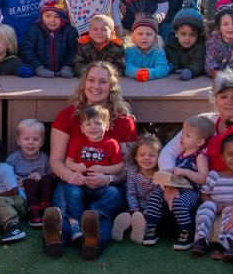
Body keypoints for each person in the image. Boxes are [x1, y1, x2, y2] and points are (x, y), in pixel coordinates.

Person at [158, 70, 233, 274]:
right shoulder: (203, 123)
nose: (229, 102)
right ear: (214, 99)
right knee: (171, 210)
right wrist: (170, 183)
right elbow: (168, 152)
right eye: (223, 96)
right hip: (208, 194)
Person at [42, 61, 138, 259]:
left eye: (102, 82)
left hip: (107, 183)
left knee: (100, 211)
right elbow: (56, 160)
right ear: (83, 83)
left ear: (111, 87)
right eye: (91, 80)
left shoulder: (123, 120)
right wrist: (70, 175)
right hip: (73, 179)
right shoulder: (68, 115)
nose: (96, 86)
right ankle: (56, 238)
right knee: (63, 204)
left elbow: (128, 166)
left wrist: (109, 179)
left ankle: (93, 241)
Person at [58, 105, 125, 257]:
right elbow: (68, 162)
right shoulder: (78, 141)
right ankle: (75, 225)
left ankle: (94, 216)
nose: (92, 127)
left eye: (97, 123)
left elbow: (119, 166)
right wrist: (77, 166)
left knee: (114, 193)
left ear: (107, 125)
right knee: (70, 190)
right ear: (82, 127)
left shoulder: (111, 143)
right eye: (88, 124)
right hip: (81, 183)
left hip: (100, 186)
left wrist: (104, 171)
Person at [143, 115, 212, 248]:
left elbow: (204, 178)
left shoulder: (200, 156)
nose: (182, 137)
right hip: (177, 187)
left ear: (199, 142)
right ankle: (151, 229)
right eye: (183, 133)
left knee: (179, 203)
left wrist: (185, 172)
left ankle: (186, 233)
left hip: (192, 191)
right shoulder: (181, 154)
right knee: (155, 197)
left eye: (187, 135)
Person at [192, 133, 233, 259]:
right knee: (206, 206)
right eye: (230, 154)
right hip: (214, 209)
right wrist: (215, 205)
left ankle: (232, 244)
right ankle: (201, 240)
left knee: (231, 210)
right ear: (223, 157)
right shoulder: (214, 175)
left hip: (232, 209)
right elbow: (204, 194)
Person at [112, 133, 161, 244]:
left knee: (151, 218)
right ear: (136, 157)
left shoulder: (160, 174)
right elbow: (131, 193)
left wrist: (146, 211)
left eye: (151, 155)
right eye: (142, 155)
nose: (146, 158)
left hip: (153, 210)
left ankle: (139, 230)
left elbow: (159, 197)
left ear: (159, 157)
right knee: (130, 215)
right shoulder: (132, 172)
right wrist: (135, 210)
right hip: (136, 207)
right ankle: (123, 226)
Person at [7, 118, 55, 228]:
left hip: (42, 193)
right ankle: (33, 211)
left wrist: (42, 176)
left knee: (48, 179)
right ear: (18, 141)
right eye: (26, 139)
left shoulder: (44, 158)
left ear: (42, 142)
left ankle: (46, 208)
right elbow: (5, 173)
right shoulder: (14, 159)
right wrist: (18, 179)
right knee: (30, 182)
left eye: (36, 139)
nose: (31, 142)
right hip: (26, 194)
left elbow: (53, 175)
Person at [23, 0, 78, 78]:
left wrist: (68, 67)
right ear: (41, 16)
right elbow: (27, 51)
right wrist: (38, 67)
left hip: (63, 73)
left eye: (57, 16)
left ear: (63, 18)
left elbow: (74, 51)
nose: (52, 20)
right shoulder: (34, 30)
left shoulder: (70, 31)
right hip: (39, 74)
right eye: (47, 16)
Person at [123, 9, 169, 82]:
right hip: (133, 85)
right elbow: (126, 67)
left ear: (155, 38)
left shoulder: (159, 51)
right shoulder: (129, 51)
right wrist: (138, 73)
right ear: (133, 37)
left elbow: (163, 68)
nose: (144, 37)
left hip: (155, 86)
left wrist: (147, 73)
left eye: (149, 34)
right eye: (140, 34)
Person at [165, 1, 207, 81]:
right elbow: (165, 59)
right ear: (176, 33)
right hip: (170, 80)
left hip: (193, 80)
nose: (187, 38)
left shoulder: (199, 47)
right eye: (183, 34)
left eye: (192, 35)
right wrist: (168, 66)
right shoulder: (170, 44)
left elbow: (198, 62)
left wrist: (190, 71)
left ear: (198, 35)